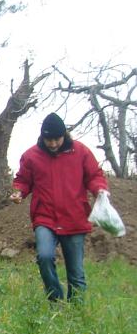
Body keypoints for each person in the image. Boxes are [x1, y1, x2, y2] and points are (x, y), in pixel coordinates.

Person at [10, 112, 108, 302]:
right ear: (42, 137)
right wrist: (19, 192)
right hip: (44, 218)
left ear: (65, 135)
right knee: (44, 257)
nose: (53, 144)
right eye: (49, 139)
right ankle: (55, 302)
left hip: (74, 217)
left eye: (57, 139)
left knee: (76, 273)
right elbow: (23, 180)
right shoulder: (31, 156)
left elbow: (95, 176)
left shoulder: (81, 152)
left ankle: (77, 314)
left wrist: (100, 191)